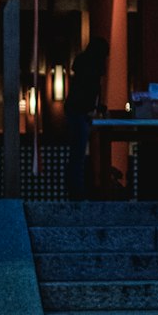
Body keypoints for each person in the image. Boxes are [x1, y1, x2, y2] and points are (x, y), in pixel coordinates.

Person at [63, 36, 109, 199]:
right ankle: (77, 190)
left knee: (77, 153)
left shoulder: (83, 66)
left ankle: (75, 188)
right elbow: (88, 93)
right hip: (81, 112)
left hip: (76, 111)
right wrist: (95, 107)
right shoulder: (93, 71)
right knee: (79, 153)